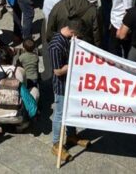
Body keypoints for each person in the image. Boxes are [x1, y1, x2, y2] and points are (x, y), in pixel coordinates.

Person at [49, 18, 88, 164]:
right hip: (61, 86)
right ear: (72, 32)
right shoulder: (55, 46)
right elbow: (57, 71)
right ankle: (56, 144)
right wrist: (71, 64)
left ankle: (71, 135)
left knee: (70, 110)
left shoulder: (69, 38)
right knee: (59, 114)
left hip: (71, 83)